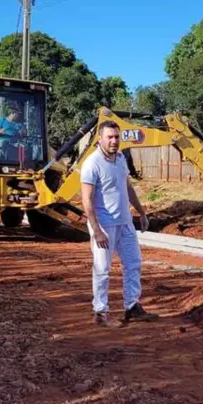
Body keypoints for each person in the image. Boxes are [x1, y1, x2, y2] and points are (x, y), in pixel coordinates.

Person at [81, 120, 159, 327]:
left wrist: (141, 212)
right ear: (100, 139)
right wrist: (96, 230)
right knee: (102, 269)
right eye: (110, 137)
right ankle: (101, 312)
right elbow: (87, 199)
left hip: (125, 223)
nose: (114, 141)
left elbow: (128, 187)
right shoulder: (92, 163)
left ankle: (132, 307)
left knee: (133, 264)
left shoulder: (121, 158)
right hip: (104, 225)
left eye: (117, 137)